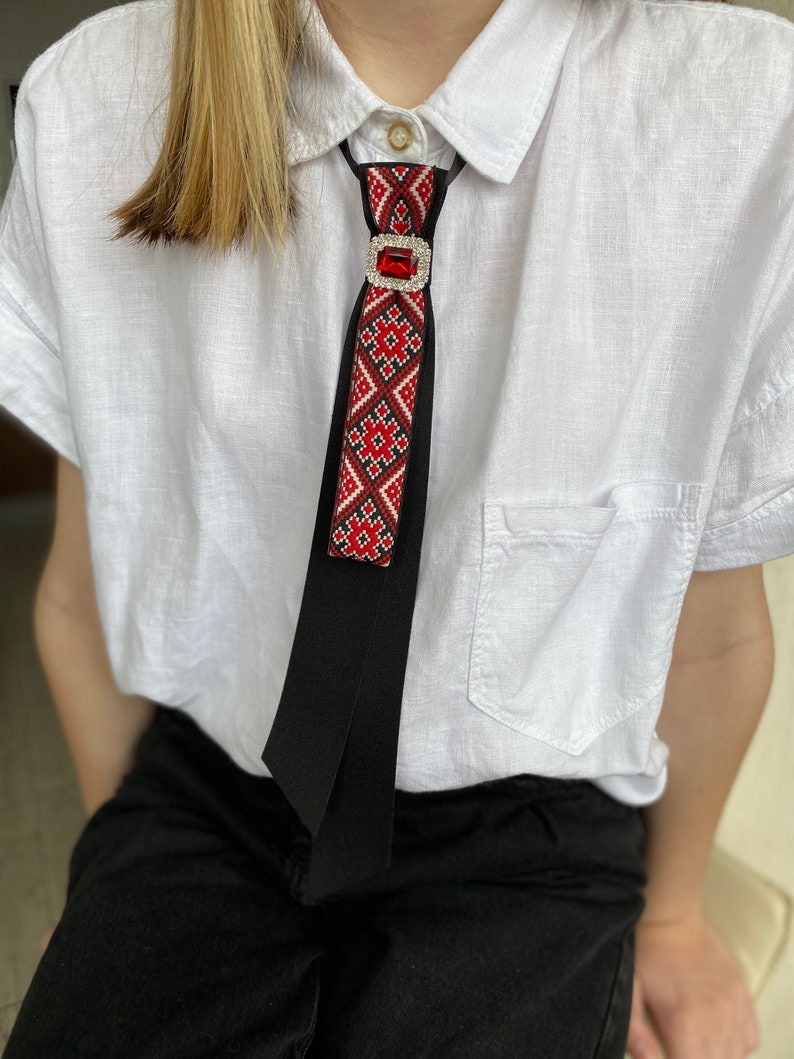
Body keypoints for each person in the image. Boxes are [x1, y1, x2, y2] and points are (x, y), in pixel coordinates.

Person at [1, 0, 791, 1054]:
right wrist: (119, 877)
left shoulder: (747, 116)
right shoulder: (87, 105)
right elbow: (81, 588)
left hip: (529, 832)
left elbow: (709, 626)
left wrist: (673, 913)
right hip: (214, 793)